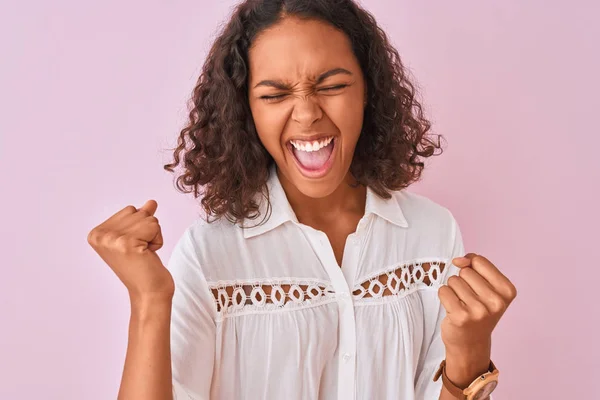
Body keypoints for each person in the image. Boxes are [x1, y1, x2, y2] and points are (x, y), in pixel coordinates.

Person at [87, 1, 517, 399]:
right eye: (274, 95)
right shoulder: (209, 254)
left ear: (368, 91)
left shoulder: (432, 231)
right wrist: (149, 300)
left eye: (331, 86)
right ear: (246, 110)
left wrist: (470, 353)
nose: (307, 113)